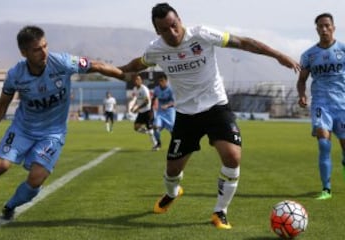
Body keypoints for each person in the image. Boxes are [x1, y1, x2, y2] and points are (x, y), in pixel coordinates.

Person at [119, 3, 301, 229]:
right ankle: (172, 193)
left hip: (216, 106)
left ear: (180, 20)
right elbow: (135, 65)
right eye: (165, 29)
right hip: (186, 114)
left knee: (232, 157)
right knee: (173, 170)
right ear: (157, 31)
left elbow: (243, 43)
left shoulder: (201, 34)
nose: (172, 32)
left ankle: (220, 211)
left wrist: (278, 55)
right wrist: (111, 70)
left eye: (174, 25)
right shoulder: (155, 49)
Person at [0, 25, 125, 220]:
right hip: (23, 129)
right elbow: (2, 104)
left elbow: (97, 65)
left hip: (53, 133)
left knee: (36, 179)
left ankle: (10, 206)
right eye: (37, 49)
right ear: (24, 52)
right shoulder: (15, 74)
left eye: (45, 46)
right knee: (0, 165)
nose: (44, 52)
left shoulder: (62, 62)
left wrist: (124, 75)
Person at [297, 13, 345, 200]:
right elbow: (302, 80)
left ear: (333, 27)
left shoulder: (343, 49)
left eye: (327, 25)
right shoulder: (309, 55)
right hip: (321, 104)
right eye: (320, 26)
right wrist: (302, 95)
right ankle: (326, 189)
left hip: (342, 105)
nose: (324, 29)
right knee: (324, 143)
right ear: (316, 29)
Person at [130, 74, 158, 150]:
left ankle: (155, 145)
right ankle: (148, 130)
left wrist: (137, 108)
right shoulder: (135, 89)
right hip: (141, 111)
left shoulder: (144, 89)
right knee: (136, 127)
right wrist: (133, 107)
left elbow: (147, 101)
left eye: (138, 79)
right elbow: (136, 99)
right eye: (135, 80)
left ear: (141, 81)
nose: (136, 81)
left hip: (148, 111)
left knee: (150, 129)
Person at [151, 73, 175, 151]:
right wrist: (151, 109)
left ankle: (175, 144)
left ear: (166, 80)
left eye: (162, 81)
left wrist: (167, 106)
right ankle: (158, 144)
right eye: (159, 81)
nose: (161, 82)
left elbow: (175, 102)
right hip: (160, 112)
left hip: (170, 112)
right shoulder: (157, 89)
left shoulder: (171, 89)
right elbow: (153, 98)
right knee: (155, 127)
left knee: (173, 130)